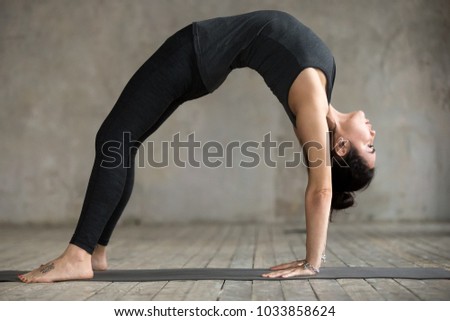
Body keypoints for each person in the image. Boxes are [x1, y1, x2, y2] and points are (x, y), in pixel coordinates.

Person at [19, 10, 376, 283]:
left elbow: (321, 189)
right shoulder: (323, 88)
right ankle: (95, 252)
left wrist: (312, 264)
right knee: (121, 142)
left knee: (114, 141)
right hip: (200, 57)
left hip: (193, 54)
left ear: (342, 147)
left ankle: (79, 254)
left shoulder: (312, 107)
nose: (374, 135)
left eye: (371, 148)